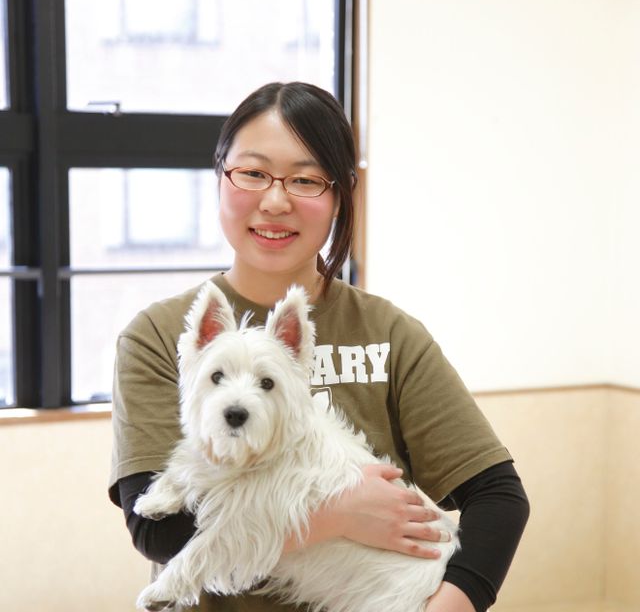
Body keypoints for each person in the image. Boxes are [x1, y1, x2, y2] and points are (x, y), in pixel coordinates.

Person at [109, 82, 529, 612]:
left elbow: (499, 499)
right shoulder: (156, 334)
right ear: (219, 178)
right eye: (253, 173)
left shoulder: (389, 332)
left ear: (340, 196)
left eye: (306, 180)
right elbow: (158, 532)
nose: (275, 201)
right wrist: (335, 516)